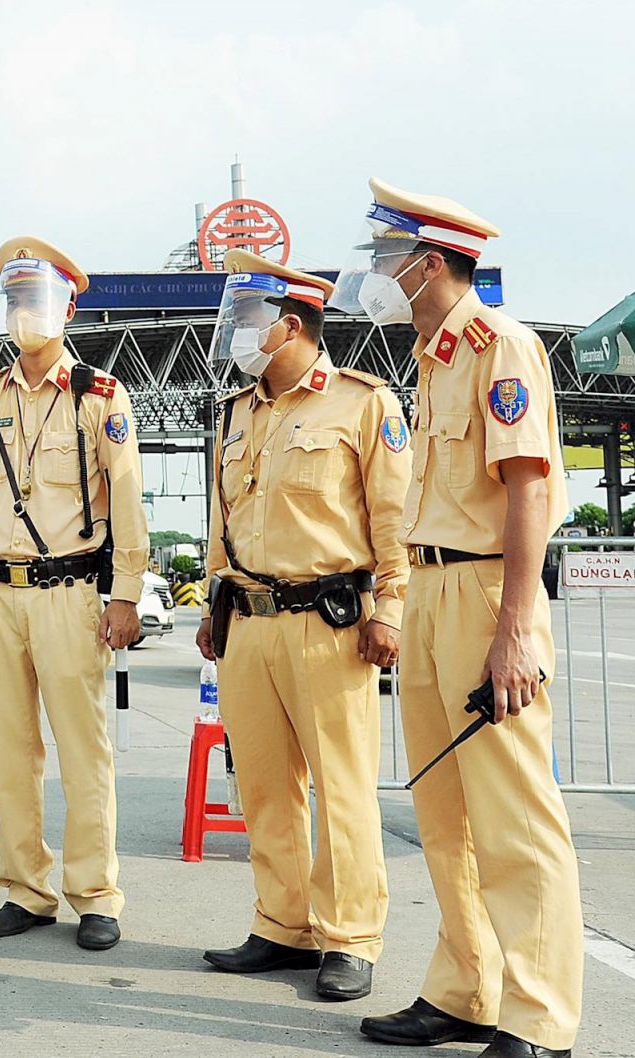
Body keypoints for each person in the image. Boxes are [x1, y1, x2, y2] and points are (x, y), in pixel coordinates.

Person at [333, 180, 581, 1058]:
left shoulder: (499, 347)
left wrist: (516, 625)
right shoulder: (432, 356)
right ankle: (466, 989)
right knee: (445, 815)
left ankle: (540, 1015)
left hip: (484, 595)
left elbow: (528, 494)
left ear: (427, 263)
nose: (374, 274)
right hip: (432, 592)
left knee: (514, 816)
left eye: (384, 259)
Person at [195, 249, 411, 1001]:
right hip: (248, 620)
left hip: (330, 622)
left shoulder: (363, 403)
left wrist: (391, 611)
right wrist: (213, 601)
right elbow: (226, 515)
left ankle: (350, 937)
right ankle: (283, 926)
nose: (235, 334)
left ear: (289, 325)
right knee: (262, 787)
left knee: (341, 788)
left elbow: (396, 521)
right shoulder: (235, 410)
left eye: (246, 321)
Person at [0, 237, 148, 952]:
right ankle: (26, 888)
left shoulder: (101, 396)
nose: (24, 312)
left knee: (83, 747)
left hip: (69, 592)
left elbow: (126, 503)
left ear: (66, 307)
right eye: (15, 299)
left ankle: (96, 893)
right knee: (11, 747)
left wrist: (125, 594)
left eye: (36, 299)